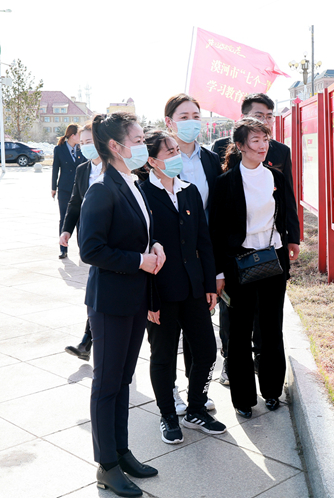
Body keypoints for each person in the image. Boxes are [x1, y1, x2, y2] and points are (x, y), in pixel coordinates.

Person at [79, 112, 166, 497]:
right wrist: (138, 261)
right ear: (115, 146)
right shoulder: (101, 189)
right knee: (107, 384)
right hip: (110, 301)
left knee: (123, 380)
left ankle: (121, 452)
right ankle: (107, 466)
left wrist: (154, 246)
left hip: (134, 297)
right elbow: (90, 249)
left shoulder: (133, 182)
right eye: (138, 140)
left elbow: (139, 233)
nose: (144, 146)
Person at [139, 130, 226, 444]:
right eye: (170, 152)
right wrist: (148, 299)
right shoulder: (141, 194)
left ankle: (196, 409)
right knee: (163, 357)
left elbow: (203, 240)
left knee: (206, 350)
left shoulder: (189, 191)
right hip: (160, 292)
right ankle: (167, 414)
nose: (178, 156)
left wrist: (209, 283)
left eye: (178, 149)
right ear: (152, 161)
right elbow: (141, 246)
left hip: (193, 288)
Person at [212, 93, 300, 385]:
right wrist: (219, 268)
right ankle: (239, 382)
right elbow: (219, 222)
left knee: (271, 324)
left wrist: (293, 238)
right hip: (238, 257)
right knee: (237, 323)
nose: (263, 144)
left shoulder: (278, 166)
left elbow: (287, 203)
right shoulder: (224, 171)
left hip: (272, 254)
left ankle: (270, 381)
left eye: (266, 138)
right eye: (256, 139)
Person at [163, 93, 222, 414]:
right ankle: (169, 391)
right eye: (183, 117)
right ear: (169, 122)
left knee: (198, 332)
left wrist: (216, 269)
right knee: (166, 334)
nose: (191, 122)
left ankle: (196, 389)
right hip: (167, 260)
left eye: (196, 116)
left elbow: (216, 214)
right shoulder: (156, 159)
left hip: (200, 258)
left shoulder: (211, 160)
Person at [60, 121, 103, 361]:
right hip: (90, 238)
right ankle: (89, 341)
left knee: (96, 289)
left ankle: (88, 340)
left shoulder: (116, 167)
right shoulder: (82, 169)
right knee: (96, 288)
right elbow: (74, 202)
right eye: (83, 142)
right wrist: (66, 230)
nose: (86, 146)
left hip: (113, 238)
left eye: (91, 142)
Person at [51, 123, 86, 259]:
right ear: (72, 135)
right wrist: (53, 187)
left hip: (80, 189)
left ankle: (82, 248)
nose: (81, 137)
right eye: (79, 134)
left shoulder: (82, 149)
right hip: (64, 189)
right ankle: (63, 249)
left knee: (80, 220)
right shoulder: (59, 149)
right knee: (64, 218)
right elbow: (55, 168)